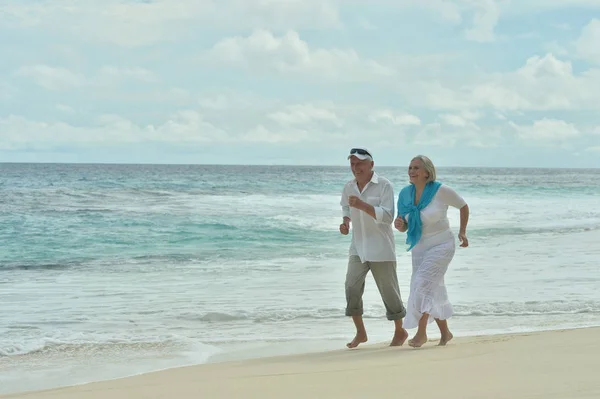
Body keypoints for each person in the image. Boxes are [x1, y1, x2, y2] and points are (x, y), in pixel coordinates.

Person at [394, 155, 469, 348]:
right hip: (419, 248)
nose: (412, 171)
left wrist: (462, 232)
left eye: (416, 168)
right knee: (431, 288)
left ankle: (422, 333)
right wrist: (400, 224)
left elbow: (463, 206)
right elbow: (403, 225)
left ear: (427, 172)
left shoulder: (440, 190)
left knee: (422, 284)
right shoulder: (404, 194)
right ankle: (445, 333)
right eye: (410, 167)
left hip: (442, 245)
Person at [339, 147, 408, 348]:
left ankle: (399, 331)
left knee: (389, 292)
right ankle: (360, 333)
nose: (355, 167)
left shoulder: (384, 185)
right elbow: (345, 207)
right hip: (358, 247)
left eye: (359, 163)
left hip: (381, 248)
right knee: (351, 287)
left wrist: (362, 206)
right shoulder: (349, 186)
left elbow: (387, 216)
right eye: (352, 164)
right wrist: (345, 222)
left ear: (371, 165)